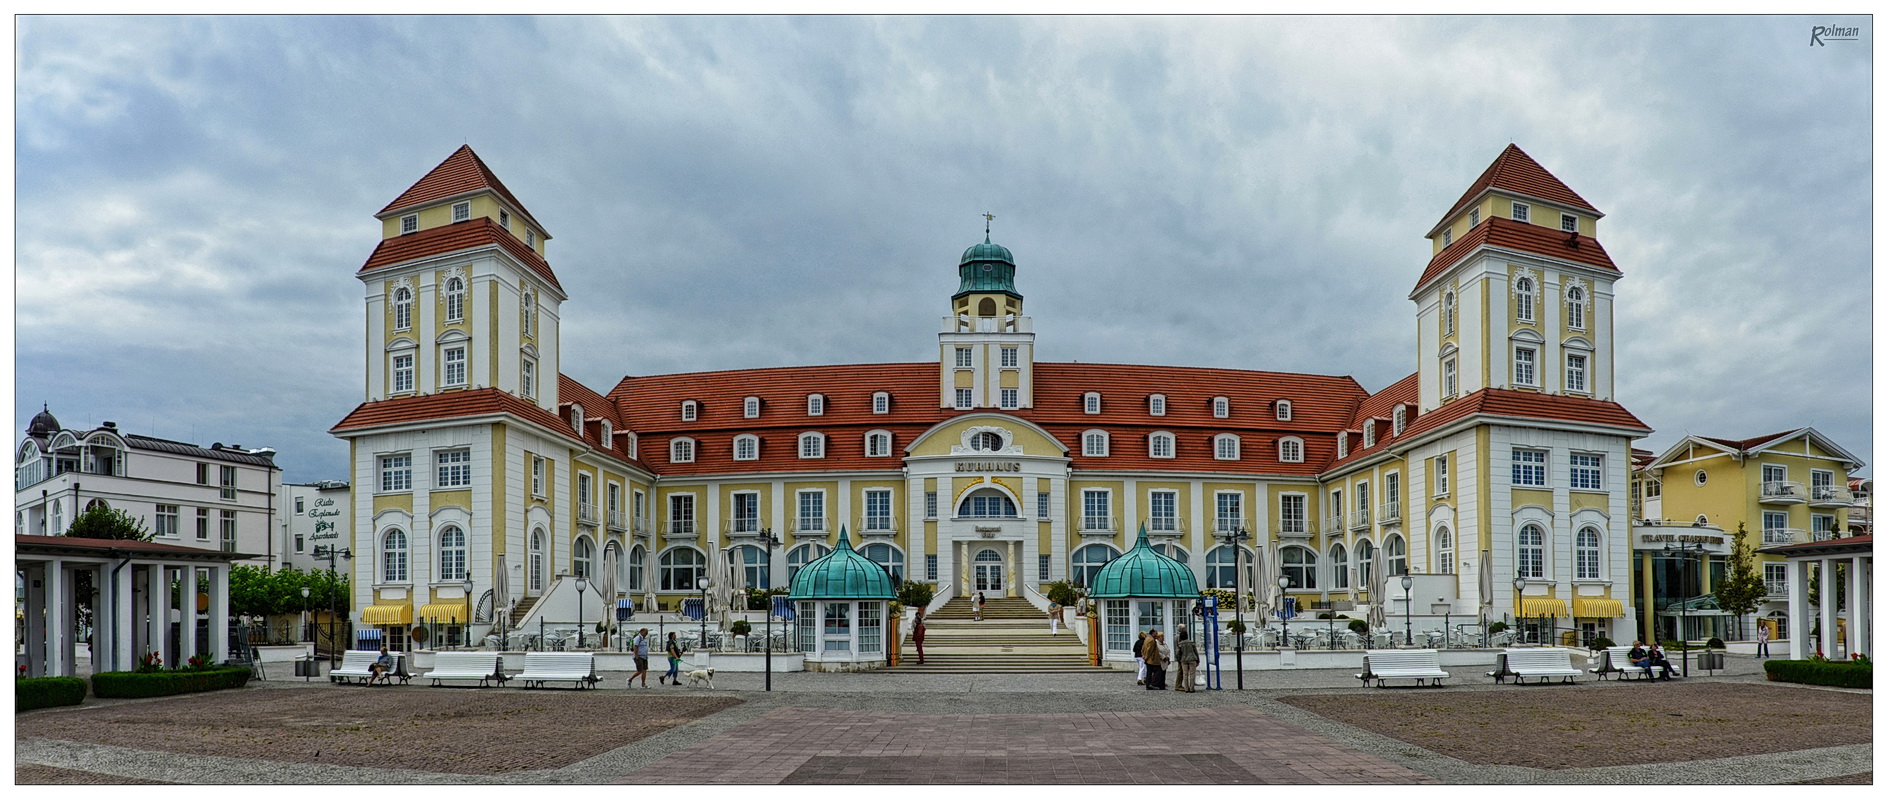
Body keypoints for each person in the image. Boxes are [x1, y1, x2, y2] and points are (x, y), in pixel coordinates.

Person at [1174, 628, 1200, 692]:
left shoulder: (1180, 644)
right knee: (1192, 673)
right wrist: (1198, 660)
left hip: (1183, 660)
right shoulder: (1191, 643)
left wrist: (1179, 659)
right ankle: (1191, 688)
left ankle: (1186, 688)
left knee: (1185, 674)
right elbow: (1195, 652)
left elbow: (1178, 653)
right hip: (1192, 659)